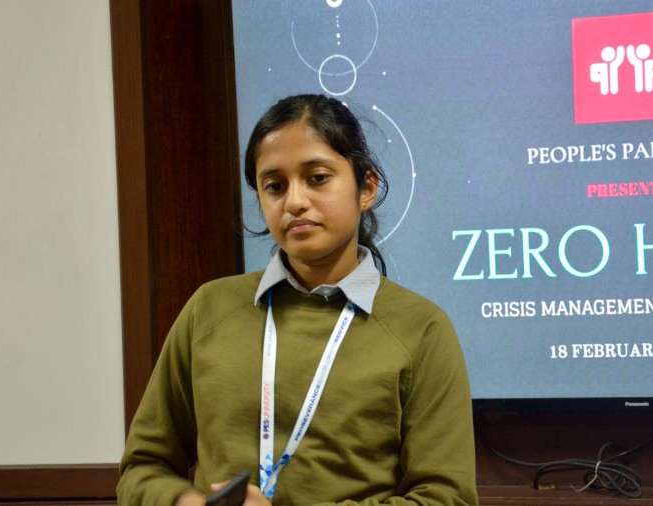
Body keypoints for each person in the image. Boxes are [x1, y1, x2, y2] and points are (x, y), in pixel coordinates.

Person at [117, 94, 479, 505]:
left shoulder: (421, 329)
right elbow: (142, 468)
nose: (294, 202)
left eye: (318, 178)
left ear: (366, 187)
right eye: (275, 186)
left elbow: (445, 498)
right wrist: (188, 503)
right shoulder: (209, 309)